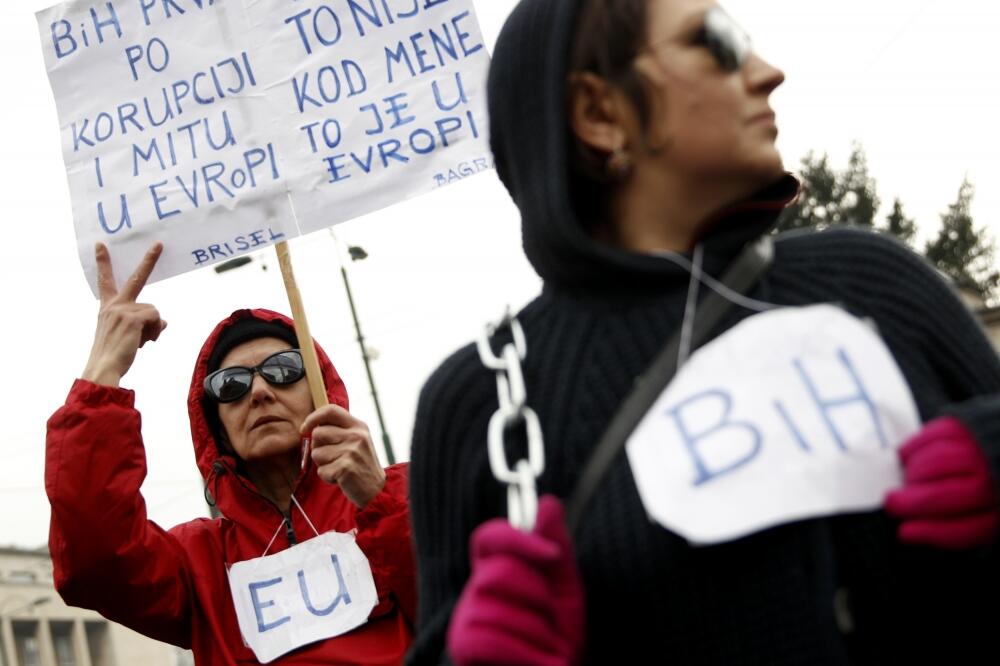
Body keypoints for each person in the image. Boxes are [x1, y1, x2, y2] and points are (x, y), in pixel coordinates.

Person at [406, 0, 1000, 664]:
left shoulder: (873, 280)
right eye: (716, 42)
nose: (768, 72)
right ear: (599, 114)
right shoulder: (480, 401)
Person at [46, 243, 416, 665]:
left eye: (283, 370)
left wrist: (383, 503)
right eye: (231, 385)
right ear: (216, 426)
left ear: (319, 391)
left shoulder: (405, 499)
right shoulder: (198, 564)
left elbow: (468, 607)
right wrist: (102, 371)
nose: (259, 392)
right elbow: (93, 560)